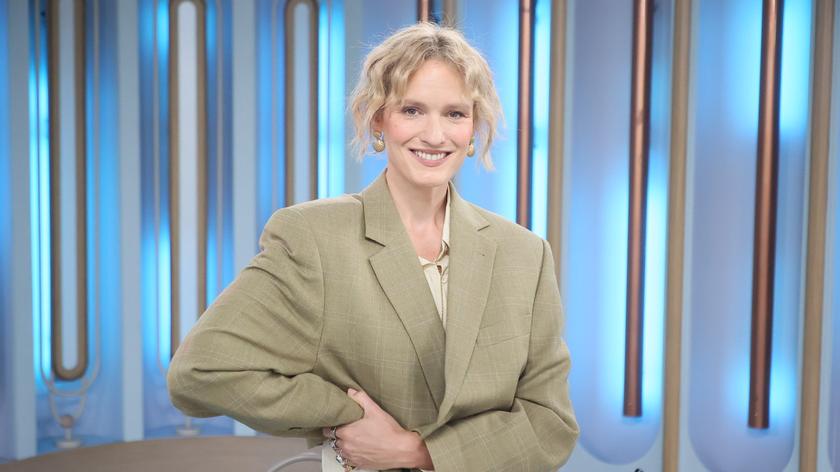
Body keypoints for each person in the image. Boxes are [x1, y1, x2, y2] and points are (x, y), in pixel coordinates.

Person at [167, 22, 578, 472]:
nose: (435, 135)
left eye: (455, 114)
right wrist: (345, 415)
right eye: (412, 110)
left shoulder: (525, 254)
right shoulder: (313, 237)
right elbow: (201, 372)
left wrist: (417, 451)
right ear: (378, 118)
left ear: (474, 126)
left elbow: (551, 424)